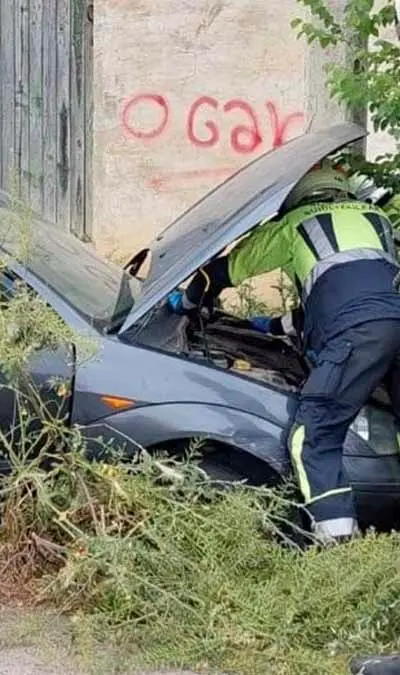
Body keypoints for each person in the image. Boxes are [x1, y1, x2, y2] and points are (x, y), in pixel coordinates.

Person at [166, 160, 400, 544]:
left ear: (299, 197)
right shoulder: (375, 218)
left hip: (358, 338)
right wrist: (266, 325)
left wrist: (189, 302)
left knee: (313, 435)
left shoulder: (297, 224)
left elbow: (226, 270)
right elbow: (346, 293)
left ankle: (338, 547)